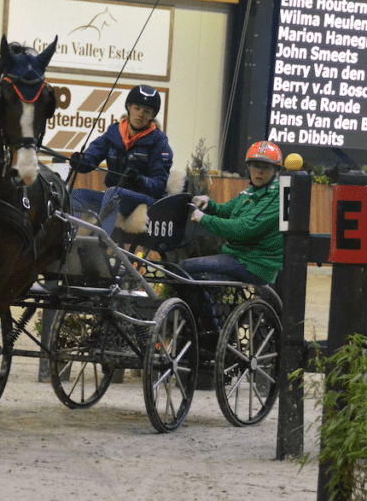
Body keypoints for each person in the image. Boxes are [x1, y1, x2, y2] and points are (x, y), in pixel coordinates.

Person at [179, 141, 284, 325]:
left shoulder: (275, 198)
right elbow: (225, 211)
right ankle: (203, 322)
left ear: (275, 171)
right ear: (249, 168)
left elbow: (244, 230)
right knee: (184, 271)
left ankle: (205, 327)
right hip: (240, 258)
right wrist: (209, 204)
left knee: (184, 268)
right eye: (255, 166)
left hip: (254, 264)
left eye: (265, 167)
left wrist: (204, 219)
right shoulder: (249, 193)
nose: (259, 172)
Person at [69, 85, 174, 235]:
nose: (140, 114)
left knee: (113, 193)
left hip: (145, 201)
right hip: (112, 197)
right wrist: (81, 161)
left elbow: (159, 185)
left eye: (147, 111)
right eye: (137, 108)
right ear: (129, 107)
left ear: (152, 115)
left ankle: (100, 244)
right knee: (76, 195)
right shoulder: (113, 133)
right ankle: (72, 240)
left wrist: (139, 180)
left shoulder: (159, 142)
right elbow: (91, 157)